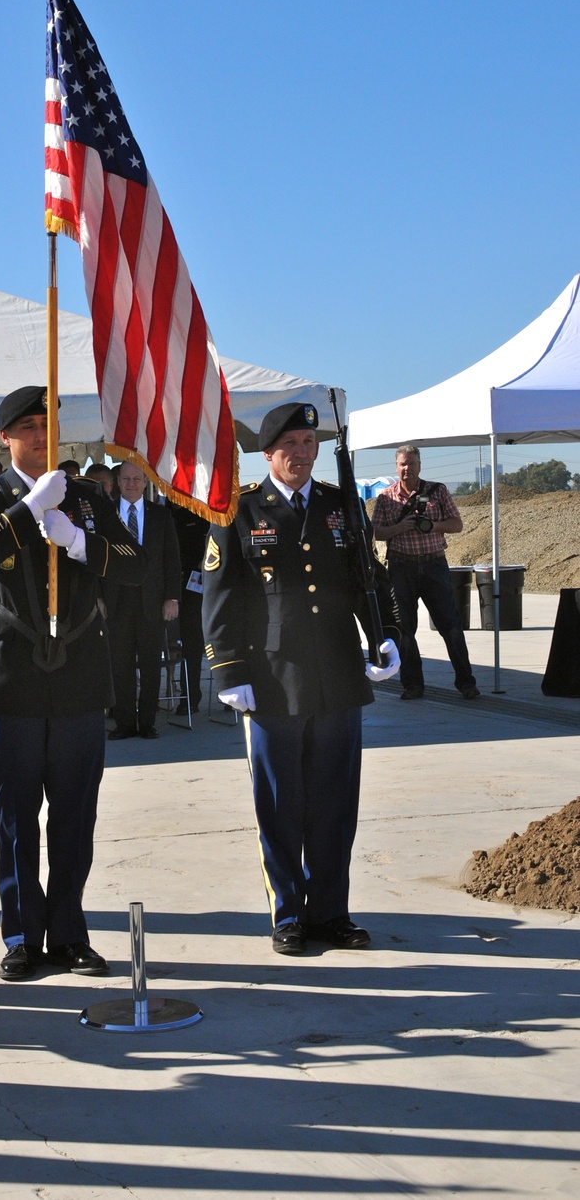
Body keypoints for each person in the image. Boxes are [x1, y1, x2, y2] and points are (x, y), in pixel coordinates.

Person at [0, 385, 146, 982]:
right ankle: (20, 935)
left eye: (49, 424)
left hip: (79, 673)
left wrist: (82, 542)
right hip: (10, 675)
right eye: (28, 426)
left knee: (73, 815)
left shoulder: (87, 496)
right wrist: (30, 510)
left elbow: (136, 565)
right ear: (5, 437)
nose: (41, 435)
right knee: (14, 815)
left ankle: (67, 934)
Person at [202, 402, 400, 956]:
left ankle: (332, 913)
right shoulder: (239, 510)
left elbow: (368, 577)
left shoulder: (341, 506)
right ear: (268, 453)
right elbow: (220, 598)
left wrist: (386, 636)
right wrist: (229, 670)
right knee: (281, 802)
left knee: (336, 803)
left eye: (309, 443)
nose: (301, 454)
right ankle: (288, 913)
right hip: (270, 679)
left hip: (337, 674)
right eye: (289, 445)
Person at [371, 445, 481, 701]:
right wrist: (400, 527)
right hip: (401, 567)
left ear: (420, 464)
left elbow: (457, 524)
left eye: (411, 463)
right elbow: (375, 532)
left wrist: (433, 526)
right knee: (405, 631)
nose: (406, 469)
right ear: (396, 467)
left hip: (434, 565)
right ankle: (412, 685)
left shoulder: (437, 491)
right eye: (402, 464)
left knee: (451, 627)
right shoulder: (386, 497)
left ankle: (466, 683)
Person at [104, 462, 181, 739]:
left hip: (152, 601)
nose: (132, 484)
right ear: (117, 481)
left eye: (137, 479)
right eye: (126, 479)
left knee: (150, 664)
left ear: (146, 483)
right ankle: (124, 722)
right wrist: (99, 598)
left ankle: (147, 722)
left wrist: (172, 598)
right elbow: (96, 559)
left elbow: (172, 561)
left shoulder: (161, 516)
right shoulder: (105, 515)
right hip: (116, 601)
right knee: (120, 665)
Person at [170, 503, 211, 712]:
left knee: (196, 646)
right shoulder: (169, 514)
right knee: (189, 647)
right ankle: (189, 697)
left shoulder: (207, 513)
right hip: (182, 587)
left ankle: (191, 698)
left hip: (203, 586)